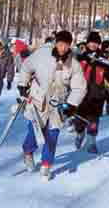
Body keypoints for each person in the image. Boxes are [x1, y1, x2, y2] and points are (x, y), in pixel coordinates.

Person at [18, 30, 87, 181]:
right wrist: (23, 84)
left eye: (66, 45)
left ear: (70, 46)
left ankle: (46, 165)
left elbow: (79, 87)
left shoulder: (73, 64)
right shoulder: (42, 55)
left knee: (52, 136)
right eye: (60, 44)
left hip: (57, 103)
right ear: (56, 43)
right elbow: (26, 67)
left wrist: (72, 104)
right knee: (34, 134)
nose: (63, 48)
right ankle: (28, 152)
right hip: (38, 101)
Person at [75, 32, 109, 153]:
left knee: (94, 120)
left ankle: (91, 141)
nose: (93, 45)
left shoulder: (103, 60)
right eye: (91, 42)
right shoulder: (80, 57)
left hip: (97, 94)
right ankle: (80, 134)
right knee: (79, 120)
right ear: (87, 43)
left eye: (96, 43)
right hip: (80, 94)